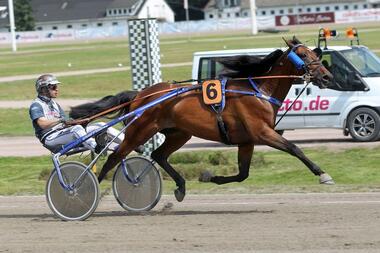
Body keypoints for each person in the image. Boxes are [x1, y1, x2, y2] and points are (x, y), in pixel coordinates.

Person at [29, 74, 124, 154]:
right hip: (50, 138)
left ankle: (126, 142)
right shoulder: (36, 105)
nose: (57, 89)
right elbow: (42, 124)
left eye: (57, 87)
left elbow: (66, 121)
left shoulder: (54, 104)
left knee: (100, 126)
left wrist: (79, 121)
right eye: (53, 87)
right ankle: (96, 148)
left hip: (63, 133)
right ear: (43, 89)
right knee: (76, 129)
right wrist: (61, 120)